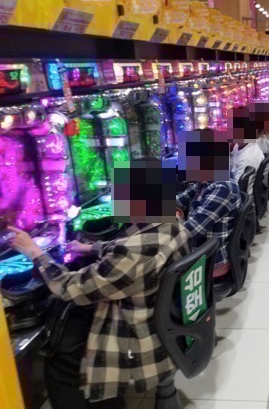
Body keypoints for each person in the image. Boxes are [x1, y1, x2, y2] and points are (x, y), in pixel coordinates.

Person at [8, 159, 192, 408]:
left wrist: (35, 253)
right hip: (166, 323)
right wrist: (91, 247)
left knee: (61, 357)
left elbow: (70, 288)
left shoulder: (133, 252)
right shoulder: (174, 225)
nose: (114, 200)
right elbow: (134, 247)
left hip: (138, 339)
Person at [177, 130, 242, 279]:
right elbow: (180, 199)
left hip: (209, 261)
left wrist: (173, 220)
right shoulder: (207, 179)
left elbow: (191, 231)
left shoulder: (223, 187)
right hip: (198, 250)